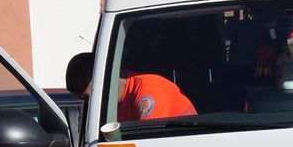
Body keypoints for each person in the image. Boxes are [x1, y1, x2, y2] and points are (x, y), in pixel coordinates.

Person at [65, 51, 196, 122]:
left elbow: (148, 141)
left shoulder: (148, 88)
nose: (91, 103)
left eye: (90, 97)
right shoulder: (111, 107)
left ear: (105, 76)